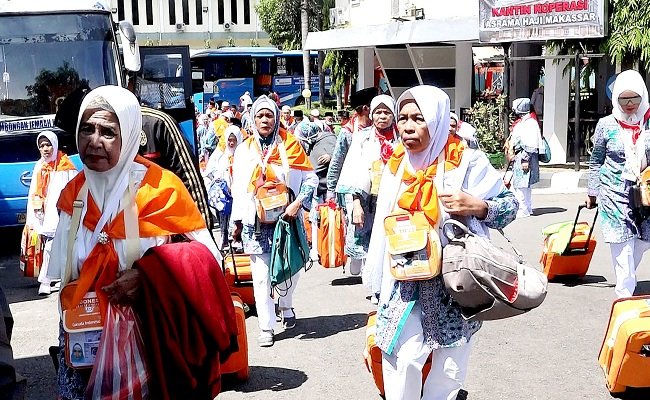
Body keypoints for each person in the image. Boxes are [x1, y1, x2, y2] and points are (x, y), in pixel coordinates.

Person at [47, 86, 223, 399]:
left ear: (128, 136)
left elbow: (208, 263)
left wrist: (150, 277)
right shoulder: (72, 196)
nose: (94, 141)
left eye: (108, 132)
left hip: (149, 343)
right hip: (83, 347)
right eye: (86, 129)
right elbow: (64, 275)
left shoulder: (162, 190)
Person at [365, 85, 518, 400]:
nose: (407, 126)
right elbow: (382, 226)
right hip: (403, 281)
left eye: (418, 118)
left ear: (435, 120)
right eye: (403, 118)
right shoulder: (396, 163)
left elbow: (509, 206)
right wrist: (376, 284)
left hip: (454, 282)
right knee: (402, 359)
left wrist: (475, 205)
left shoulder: (466, 161)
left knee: (449, 368)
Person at [230, 95, 318, 347]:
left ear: (277, 117)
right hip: (255, 224)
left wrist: (297, 202)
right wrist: (237, 221)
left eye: (269, 115)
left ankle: (286, 304)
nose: (265, 120)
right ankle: (266, 326)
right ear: (253, 119)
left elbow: (310, 179)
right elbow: (237, 187)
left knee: (293, 267)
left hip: (286, 220)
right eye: (260, 116)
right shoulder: (245, 149)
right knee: (261, 275)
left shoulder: (290, 145)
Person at [587, 69, 650, 298]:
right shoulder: (606, 124)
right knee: (621, 243)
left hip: (644, 194)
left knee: (642, 241)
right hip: (614, 193)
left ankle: (627, 276)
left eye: (635, 98)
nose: (630, 104)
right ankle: (624, 293)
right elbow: (596, 161)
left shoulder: (649, 122)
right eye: (624, 98)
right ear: (615, 99)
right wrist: (592, 192)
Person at [335, 94, 399, 282]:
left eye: (386, 112)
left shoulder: (401, 138)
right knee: (368, 242)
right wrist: (355, 204)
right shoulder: (362, 138)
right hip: (366, 199)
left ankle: (383, 283)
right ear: (371, 114)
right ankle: (371, 279)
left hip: (394, 199)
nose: (382, 116)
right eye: (378, 112)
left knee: (390, 241)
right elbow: (353, 170)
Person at [21, 131, 77, 295]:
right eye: (41, 146)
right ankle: (54, 278)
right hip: (43, 213)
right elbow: (34, 191)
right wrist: (36, 209)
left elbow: (72, 191)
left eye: (48, 145)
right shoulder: (39, 165)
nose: (45, 149)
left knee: (56, 246)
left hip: (60, 213)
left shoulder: (65, 166)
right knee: (49, 245)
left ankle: (46, 280)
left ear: (55, 144)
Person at [294, 121, 337, 260]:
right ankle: (318, 248)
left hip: (327, 189)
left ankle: (323, 249)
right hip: (320, 189)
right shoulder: (319, 142)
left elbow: (316, 169)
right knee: (315, 219)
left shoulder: (326, 142)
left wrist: (331, 157)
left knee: (319, 219)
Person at [326, 89, 375, 198]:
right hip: (353, 191)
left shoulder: (379, 130)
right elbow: (336, 162)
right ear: (366, 109)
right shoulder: (348, 132)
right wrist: (331, 192)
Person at [204, 125, 244, 248]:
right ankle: (224, 237)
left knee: (239, 215)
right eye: (229, 140)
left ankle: (238, 239)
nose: (231, 143)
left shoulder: (244, 153)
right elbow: (210, 170)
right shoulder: (220, 154)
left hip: (239, 191)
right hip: (223, 192)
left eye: (234, 140)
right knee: (223, 214)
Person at [507, 98, 541, 218]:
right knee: (524, 185)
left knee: (521, 184)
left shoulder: (530, 123)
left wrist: (525, 159)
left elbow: (530, 143)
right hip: (521, 156)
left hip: (524, 156)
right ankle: (527, 207)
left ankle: (523, 209)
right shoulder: (525, 122)